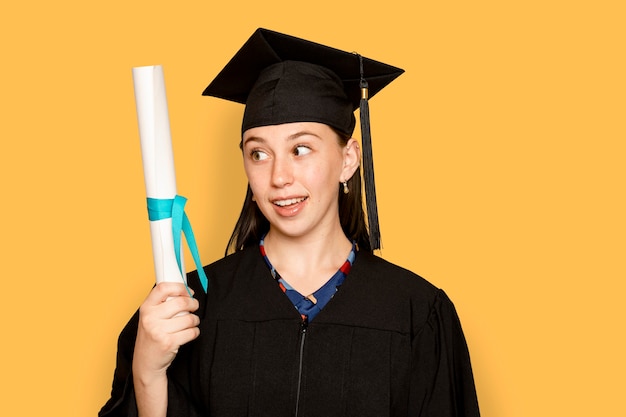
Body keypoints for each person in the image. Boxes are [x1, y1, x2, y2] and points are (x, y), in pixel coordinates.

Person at [100, 28, 480, 417]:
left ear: (348, 159)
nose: (279, 176)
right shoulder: (187, 306)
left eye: (301, 149)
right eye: (259, 154)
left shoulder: (416, 312)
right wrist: (147, 374)